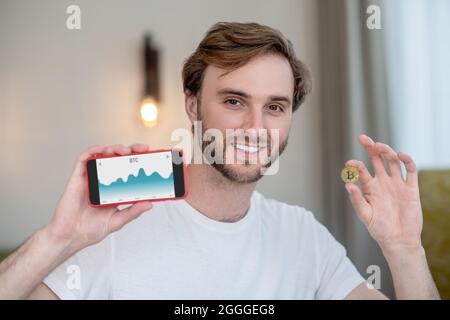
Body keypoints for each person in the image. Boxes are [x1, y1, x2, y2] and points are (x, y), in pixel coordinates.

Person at [0, 22, 440, 299]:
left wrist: (404, 251)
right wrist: (56, 239)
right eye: (234, 100)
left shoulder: (302, 234)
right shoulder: (115, 228)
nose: (255, 125)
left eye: (275, 107)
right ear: (192, 106)